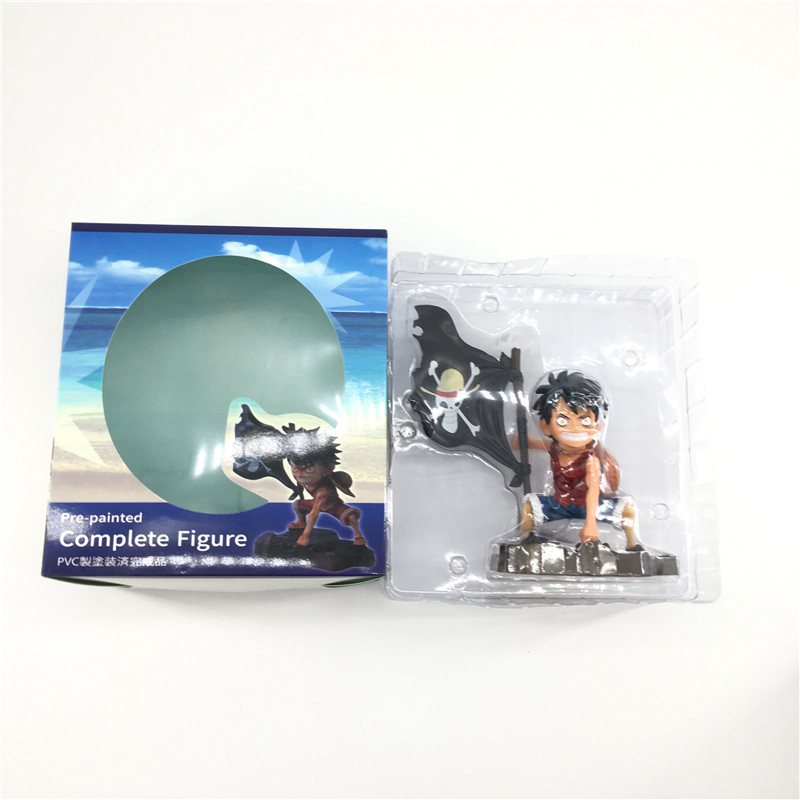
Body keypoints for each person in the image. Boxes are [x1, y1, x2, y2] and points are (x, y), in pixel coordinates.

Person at [520, 370, 642, 550]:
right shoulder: (555, 448)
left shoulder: (591, 461)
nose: (575, 429)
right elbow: (541, 444)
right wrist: (524, 442)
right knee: (529, 508)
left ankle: (632, 544)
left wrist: (590, 524)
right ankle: (525, 540)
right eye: (563, 421)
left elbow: (593, 490)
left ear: (597, 426)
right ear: (546, 427)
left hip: (591, 507)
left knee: (627, 511)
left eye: (584, 421)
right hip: (560, 505)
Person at [286, 430, 365, 547]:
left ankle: (358, 535)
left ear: (327, 468)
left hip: (333, 506)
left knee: (351, 516)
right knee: (298, 505)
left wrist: (305, 536)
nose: (299, 475)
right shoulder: (308, 481)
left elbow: (314, 514)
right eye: (294, 469)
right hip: (314, 503)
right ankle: (300, 523)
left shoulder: (323, 491)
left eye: (309, 469)